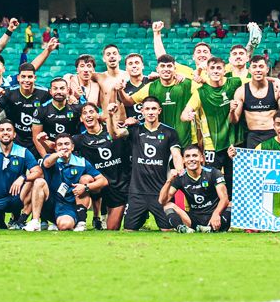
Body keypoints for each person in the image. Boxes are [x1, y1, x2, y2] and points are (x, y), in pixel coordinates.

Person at [107, 96, 181, 231]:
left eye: (154, 109)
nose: (150, 112)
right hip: (137, 192)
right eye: (147, 109)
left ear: (159, 111)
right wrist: (111, 116)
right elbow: (115, 134)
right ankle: (142, 221)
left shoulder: (170, 132)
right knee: (129, 230)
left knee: (168, 230)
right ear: (142, 111)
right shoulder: (135, 130)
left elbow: (176, 154)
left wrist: (179, 170)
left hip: (160, 192)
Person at [181, 56, 242, 186]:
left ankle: (231, 205)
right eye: (212, 68)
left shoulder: (235, 83)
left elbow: (254, 79)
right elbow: (184, 114)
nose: (215, 71)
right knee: (212, 180)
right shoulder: (200, 92)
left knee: (233, 180)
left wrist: (275, 80)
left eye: (219, 68)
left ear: (224, 71)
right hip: (211, 145)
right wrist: (188, 116)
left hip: (232, 143)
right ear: (207, 71)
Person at [74, 103, 129, 230]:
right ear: (81, 119)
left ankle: (104, 217)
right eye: (85, 113)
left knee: (112, 229)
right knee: (85, 179)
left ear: (98, 115)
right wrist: (43, 141)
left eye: (91, 111)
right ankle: (85, 221)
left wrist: (110, 115)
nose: (88, 115)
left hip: (119, 185)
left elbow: (117, 134)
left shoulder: (112, 130)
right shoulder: (79, 140)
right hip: (98, 185)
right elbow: (59, 146)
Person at [39, 134, 108, 231]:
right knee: (38, 182)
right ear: (55, 148)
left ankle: (80, 221)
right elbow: (47, 163)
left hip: (69, 205)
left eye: (66, 144)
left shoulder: (82, 162)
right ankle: (36, 221)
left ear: (72, 147)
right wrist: (57, 155)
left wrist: (86, 187)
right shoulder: (50, 158)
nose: (63, 147)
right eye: (60, 144)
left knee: (87, 178)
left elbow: (103, 181)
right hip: (51, 203)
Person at [160, 144, 230, 232]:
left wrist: (216, 214)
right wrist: (169, 180)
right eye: (188, 156)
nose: (191, 159)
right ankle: (183, 229)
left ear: (202, 158)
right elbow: (162, 201)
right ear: (183, 160)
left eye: (195, 155)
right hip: (193, 219)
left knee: (231, 204)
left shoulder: (214, 173)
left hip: (213, 216)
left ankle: (211, 228)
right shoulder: (180, 177)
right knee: (168, 205)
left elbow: (224, 198)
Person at [0, 62, 51, 154]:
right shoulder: (10, 93)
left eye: (30, 77)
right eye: (23, 76)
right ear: (18, 78)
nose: (26, 80)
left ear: (35, 78)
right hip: (17, 140)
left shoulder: (45, 93)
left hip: (37, 140)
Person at [230, 55, 280, 149]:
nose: (258, 70)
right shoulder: (241, 91)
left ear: (267, 69)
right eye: (254, 67)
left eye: (261, 66)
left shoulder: (276, 89)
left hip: (273, 134)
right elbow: (234, 120)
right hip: (253, 136)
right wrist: (231, 111)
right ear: (249, 70)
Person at [31, 77, 82, 154]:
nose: (59, 91)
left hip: (72, 151)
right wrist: (45, 158)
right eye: (55, 89)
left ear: (68, 90)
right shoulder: (41, 110)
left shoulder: (77, 108)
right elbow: (35, 137)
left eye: (62, 88)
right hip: (51, 152)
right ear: (50, 91)